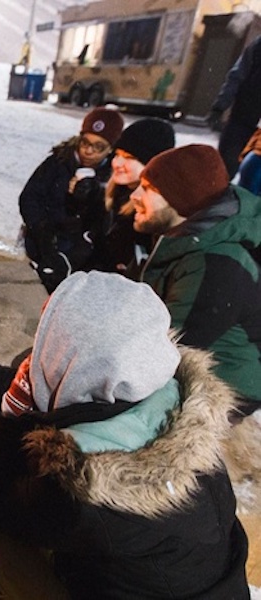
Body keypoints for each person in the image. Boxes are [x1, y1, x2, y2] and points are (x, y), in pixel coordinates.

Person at [0, 271, 249, 599]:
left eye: (51, 339)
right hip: (206, 587)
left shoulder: (85, 490)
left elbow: (7, 506)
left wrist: (8, 421)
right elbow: (47, 393)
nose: (40, 346)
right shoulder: (160, 397)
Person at [131, 144, 261, 420]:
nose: (134, 195)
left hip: (228, 388)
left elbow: (171, 346)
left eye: (147, 188)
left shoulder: (215, 262)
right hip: (192, 368)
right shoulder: (185, 239)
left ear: (180, 199)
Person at [19, 107, 123, 292]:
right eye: (85, 142)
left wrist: (94, 195)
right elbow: (30, 197)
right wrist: (42, 229)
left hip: (81, 258)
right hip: (42, 245)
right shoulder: (59, 162)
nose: (88, 151)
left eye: (98, 147)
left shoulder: (115, 176)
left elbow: (108, 224)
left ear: (110, 149)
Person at [93, 118, 175, 274]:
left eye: (130, 158)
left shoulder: (151, 214)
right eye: (118, 154)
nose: (117, 163)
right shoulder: (114, 193)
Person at [209, 34, 261, 178]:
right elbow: (237, 76)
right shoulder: (258, 45)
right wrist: (219, 106)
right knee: (223, 171)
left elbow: (236, 76)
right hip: (243, 119)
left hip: (244, 119)